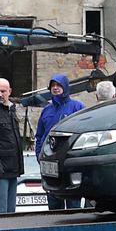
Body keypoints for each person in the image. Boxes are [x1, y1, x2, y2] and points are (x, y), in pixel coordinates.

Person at [35, 75, 85, 210]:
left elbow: (84, 133)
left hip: (70, 161)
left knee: (73, 202)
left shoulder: (77, 107)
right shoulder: (47, 110)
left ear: (65, 87)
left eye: (59, 85)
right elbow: (39, 135)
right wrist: (39, 154)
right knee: (53, 203)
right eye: (53, 86)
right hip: (50, 163)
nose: (55, 88)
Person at [0, 78, 24, 213]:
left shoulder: (11, 109)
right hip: (1, 169)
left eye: (2, 91)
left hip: (13, 166)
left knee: (11, 210)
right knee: (1, 209)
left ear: (9, 92)